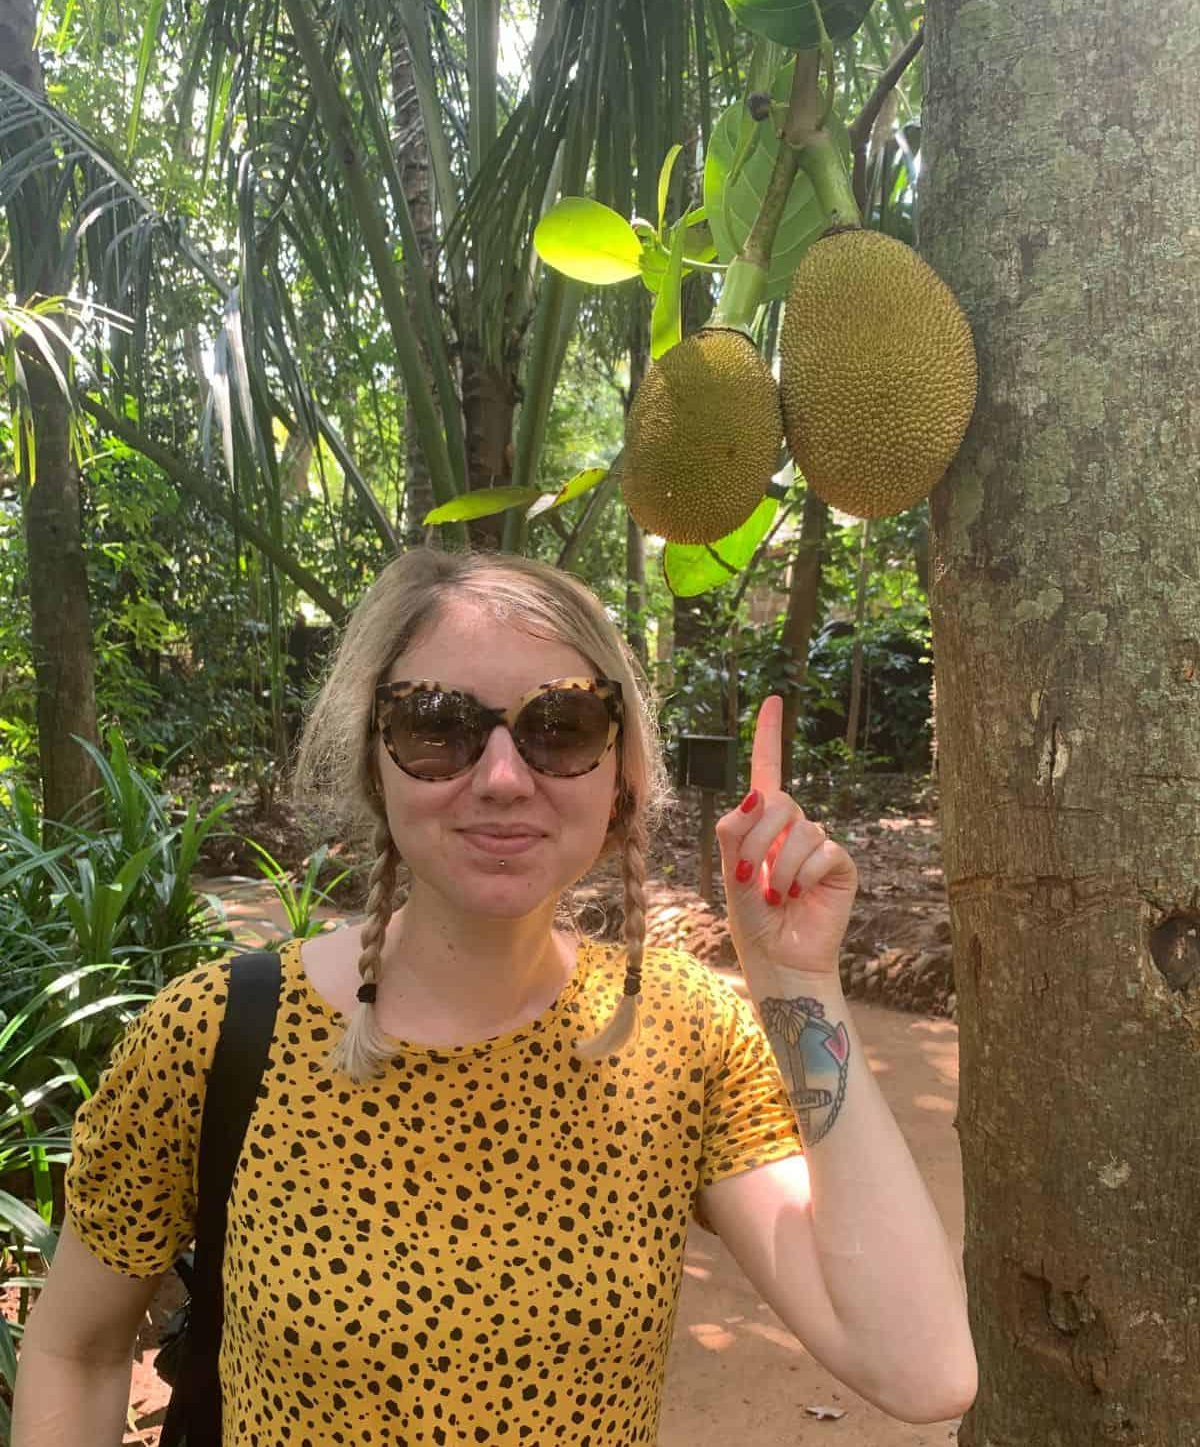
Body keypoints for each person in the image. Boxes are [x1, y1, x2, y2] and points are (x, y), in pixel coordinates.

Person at [13, 548, 976, 1447]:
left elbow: (922, 1369)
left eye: (562, 727)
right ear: (374, 757)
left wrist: (796, 980)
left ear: (622, 774)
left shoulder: (682, 1034)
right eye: (438, 725)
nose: (505, 778)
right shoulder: (219, 1032)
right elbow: (76, 1348)